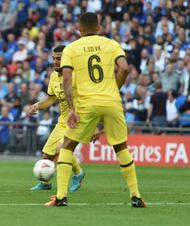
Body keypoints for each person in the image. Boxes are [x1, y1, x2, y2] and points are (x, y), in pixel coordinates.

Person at [45, 13, 146, 207]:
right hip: (112, 102)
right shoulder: (112, 44)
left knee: (66, 146)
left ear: (78, 28)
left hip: (86, 103)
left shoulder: (72, 49)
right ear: (99, 27)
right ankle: (136, 197)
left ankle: (60, 197)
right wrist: (112, 91)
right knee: (121, 147)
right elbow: (124, 69)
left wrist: (72, 109)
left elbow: (66, 80)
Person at [29, 45, 92, 192]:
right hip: (63, 120)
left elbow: (88, 98)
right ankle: (45, 183)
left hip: (77, 119)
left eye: (59, 58)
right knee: (47, 155)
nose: (55, 61)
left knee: (61, 149)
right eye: (54, 58)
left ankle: (78, 174)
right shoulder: (53, 76)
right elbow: (51, 99)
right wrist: (37, 106)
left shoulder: (77, 75)